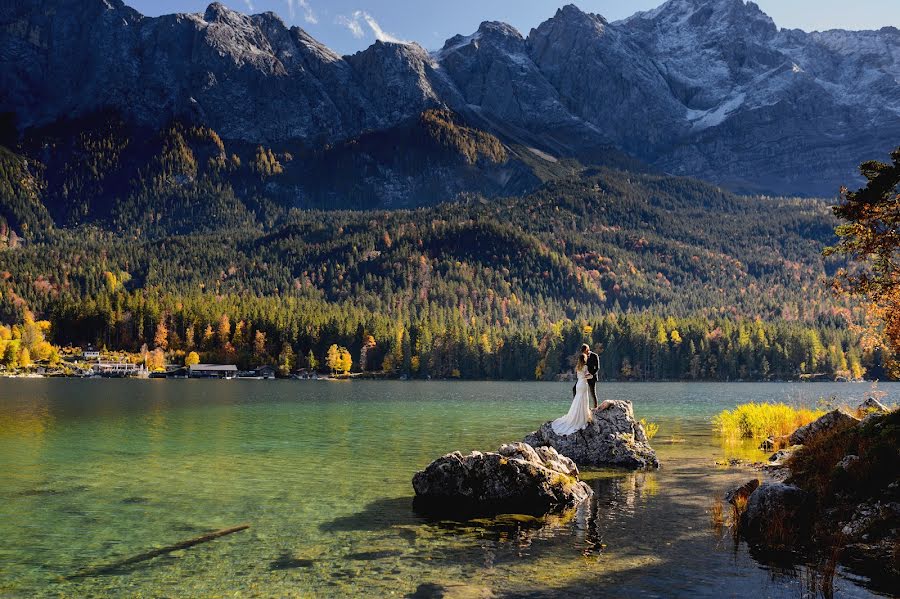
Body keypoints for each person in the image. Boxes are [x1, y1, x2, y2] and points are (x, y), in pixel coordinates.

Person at [551, 353, 594, 435]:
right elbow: (587, 376)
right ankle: (583, 417)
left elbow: (579, 376)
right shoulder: (585, 367)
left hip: (578, 384)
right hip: (583, 385)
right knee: (583, 400)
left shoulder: (577, 367)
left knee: (577, 400)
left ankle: (575, 416)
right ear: (584, 359)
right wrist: (591, 376)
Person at [573, 343, 600, 409]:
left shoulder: (594, 355)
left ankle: (595, 408)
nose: (583, 353)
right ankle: (576, 405)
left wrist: (591, 374)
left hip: (591, 376)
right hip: (583, 377)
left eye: (584, 351)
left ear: (587, 349)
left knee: (592, 392)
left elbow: (597, 367)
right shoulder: (582, 356)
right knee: (574, 389)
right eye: (582, 351)